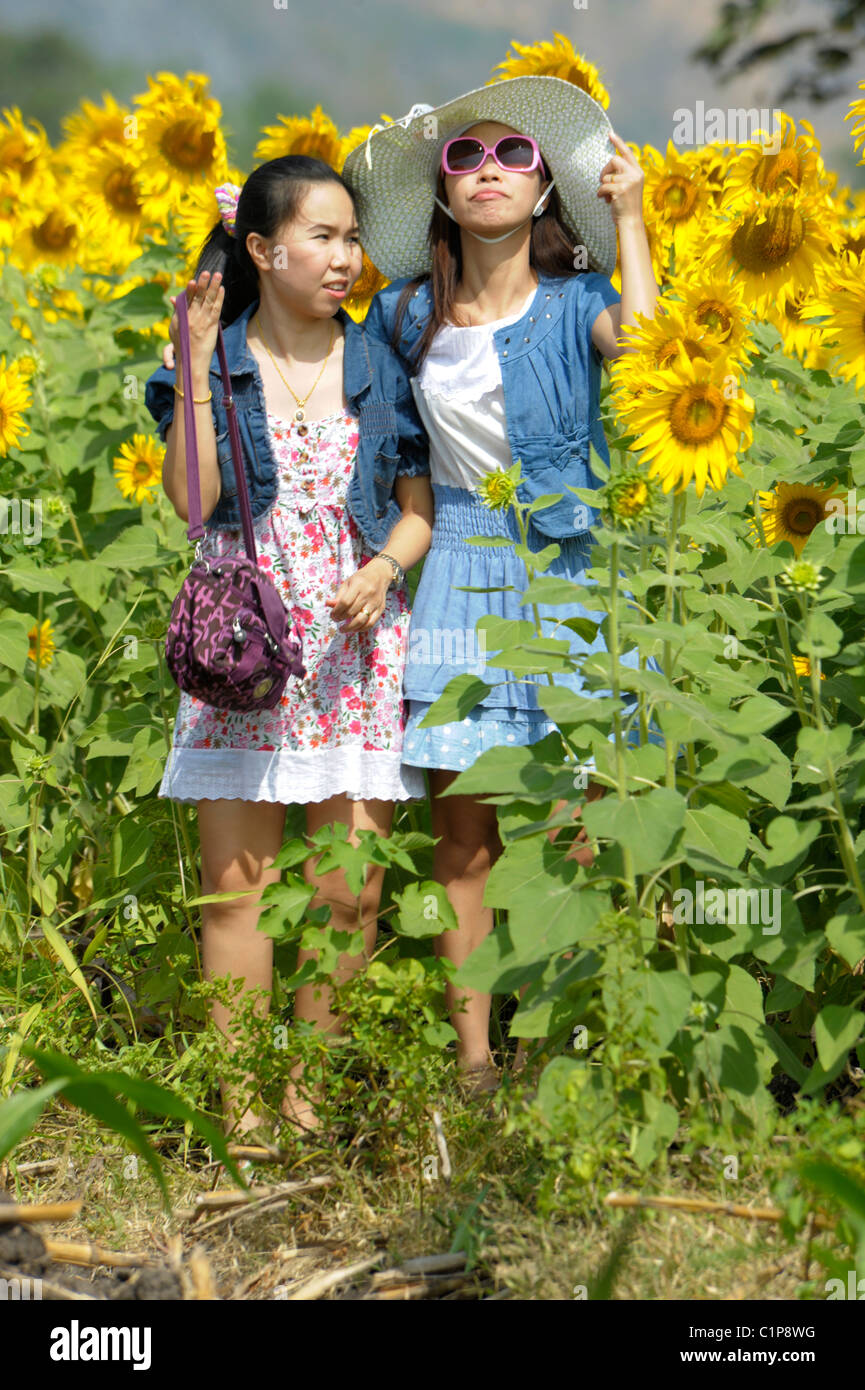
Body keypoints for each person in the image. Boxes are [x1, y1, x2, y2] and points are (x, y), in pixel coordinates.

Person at [343, 76, 660, 1095]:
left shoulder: (580, 305)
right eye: (465, 158)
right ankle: (475, 1062)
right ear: (440, 194)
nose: (488, 173)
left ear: (542, 191)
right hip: (459, 571)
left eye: (513, 157)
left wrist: (632, 216)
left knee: (574, 824)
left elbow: (653, 363)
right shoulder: (401, 317)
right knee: (463, 836)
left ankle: (567, 1051)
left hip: (567, 568)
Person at [145, 156, 433, 1139]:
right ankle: (240, 1112)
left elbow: (414, 510)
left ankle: (308, 1101)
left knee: (347, 894)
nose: (345, 257)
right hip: (247, 642)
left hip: (354, 644)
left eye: (351, 237)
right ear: (262, 250)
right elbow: (193, 503)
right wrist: (189, 362)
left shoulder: (377, 367)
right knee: (237, 898)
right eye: (322, 237)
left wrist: (385, 568)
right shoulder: (215, 359)